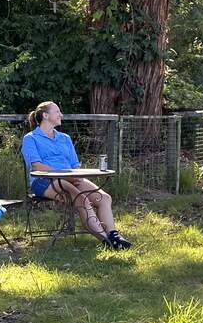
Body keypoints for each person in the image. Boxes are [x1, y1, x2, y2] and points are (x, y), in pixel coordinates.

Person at [21, 101, 132, 249]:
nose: (61, 115)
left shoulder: (64, 138)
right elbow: (37, 166)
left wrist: (76, 176)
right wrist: (65, 176)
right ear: (45, 115)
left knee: (104, 198)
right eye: (57, 112)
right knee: (82, 199)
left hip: (70, 177)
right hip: (43, 180)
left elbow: (74, 166)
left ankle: (114, 235)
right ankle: (107, 242)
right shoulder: (31, 138)